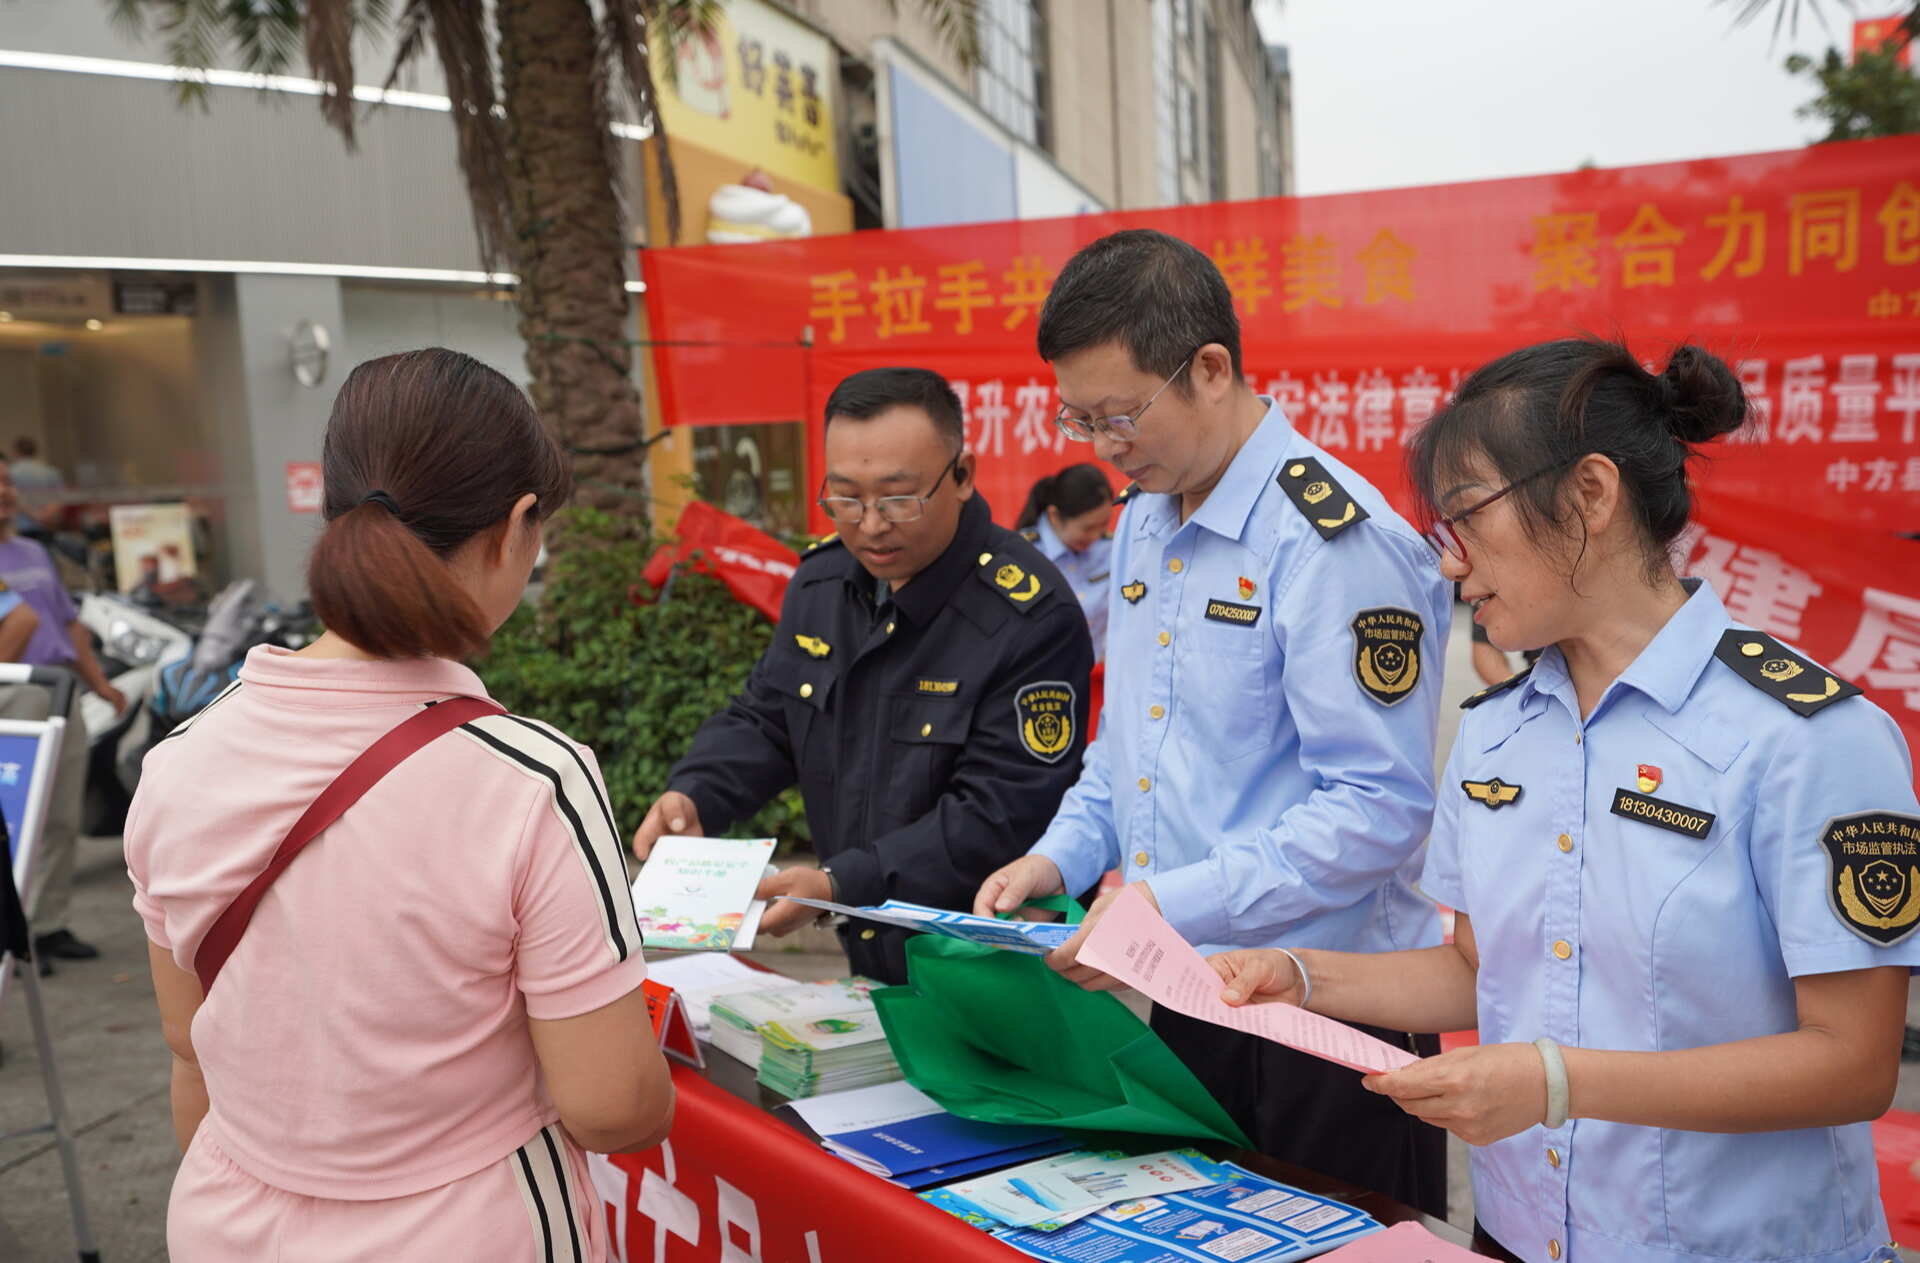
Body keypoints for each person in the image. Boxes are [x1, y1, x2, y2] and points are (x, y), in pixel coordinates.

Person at [1209, 338, 1915, 1263]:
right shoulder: (1495, 733)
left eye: (1469, 516)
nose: (1453, 566)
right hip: (1517, 1235)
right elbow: (1477, 968)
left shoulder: (1806, 737)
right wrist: (1302, 975)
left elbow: (1853, 1063)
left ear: (1590, 492)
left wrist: (1556, 1083)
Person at [125, 348, 673, 1261]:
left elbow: (192, 1043)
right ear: (517, 526)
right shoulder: (532, 780)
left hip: (226, 1225)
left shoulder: (178, 760)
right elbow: (613, 1105)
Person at [974, 229, 1454, 1213]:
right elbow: (1130, 749)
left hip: (1329, 1011)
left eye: (1121, 415)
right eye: (1081, 419)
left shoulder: (1332, 542)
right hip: (1191, 983)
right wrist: (1059, 858)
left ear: (1210, 369)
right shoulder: (1145, 518)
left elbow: (1378, 807)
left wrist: (1165, 902)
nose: (1105, 446)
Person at [632, 367, 1095, 985]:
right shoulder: (821, 585)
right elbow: (769, 719)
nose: (871, 525)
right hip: (869, 964)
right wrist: (696, 793)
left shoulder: (1030, 617)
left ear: (962, 475)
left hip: (989, 971)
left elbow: (999, 813)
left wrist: (841, 884)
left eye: (898, 498)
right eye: (846, 498)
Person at [0, 460, 127, 972]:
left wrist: (99, 684)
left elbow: (67, 623)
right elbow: (18, 626)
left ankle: (47, 924)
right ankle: (14, 938)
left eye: (7, 482)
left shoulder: (33, 552)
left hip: (59, 690)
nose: (4, 492)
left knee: (59, 815)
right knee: (15, 818)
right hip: (13, 695)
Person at [1016, 464, 1116, 661]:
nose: (1096, 536)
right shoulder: (1022, 553)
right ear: (1054, 516)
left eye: (1103, 525)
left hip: (1097, 672)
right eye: (1087, 528)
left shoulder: (1110, 548)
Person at [8, 438, 65, 535]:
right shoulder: (51, 471)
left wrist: (36, 515)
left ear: (15, 452)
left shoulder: (10, 472)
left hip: (22, 527)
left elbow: (12, 499)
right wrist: (46, 515)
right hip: (48, 525)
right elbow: (60, 498)